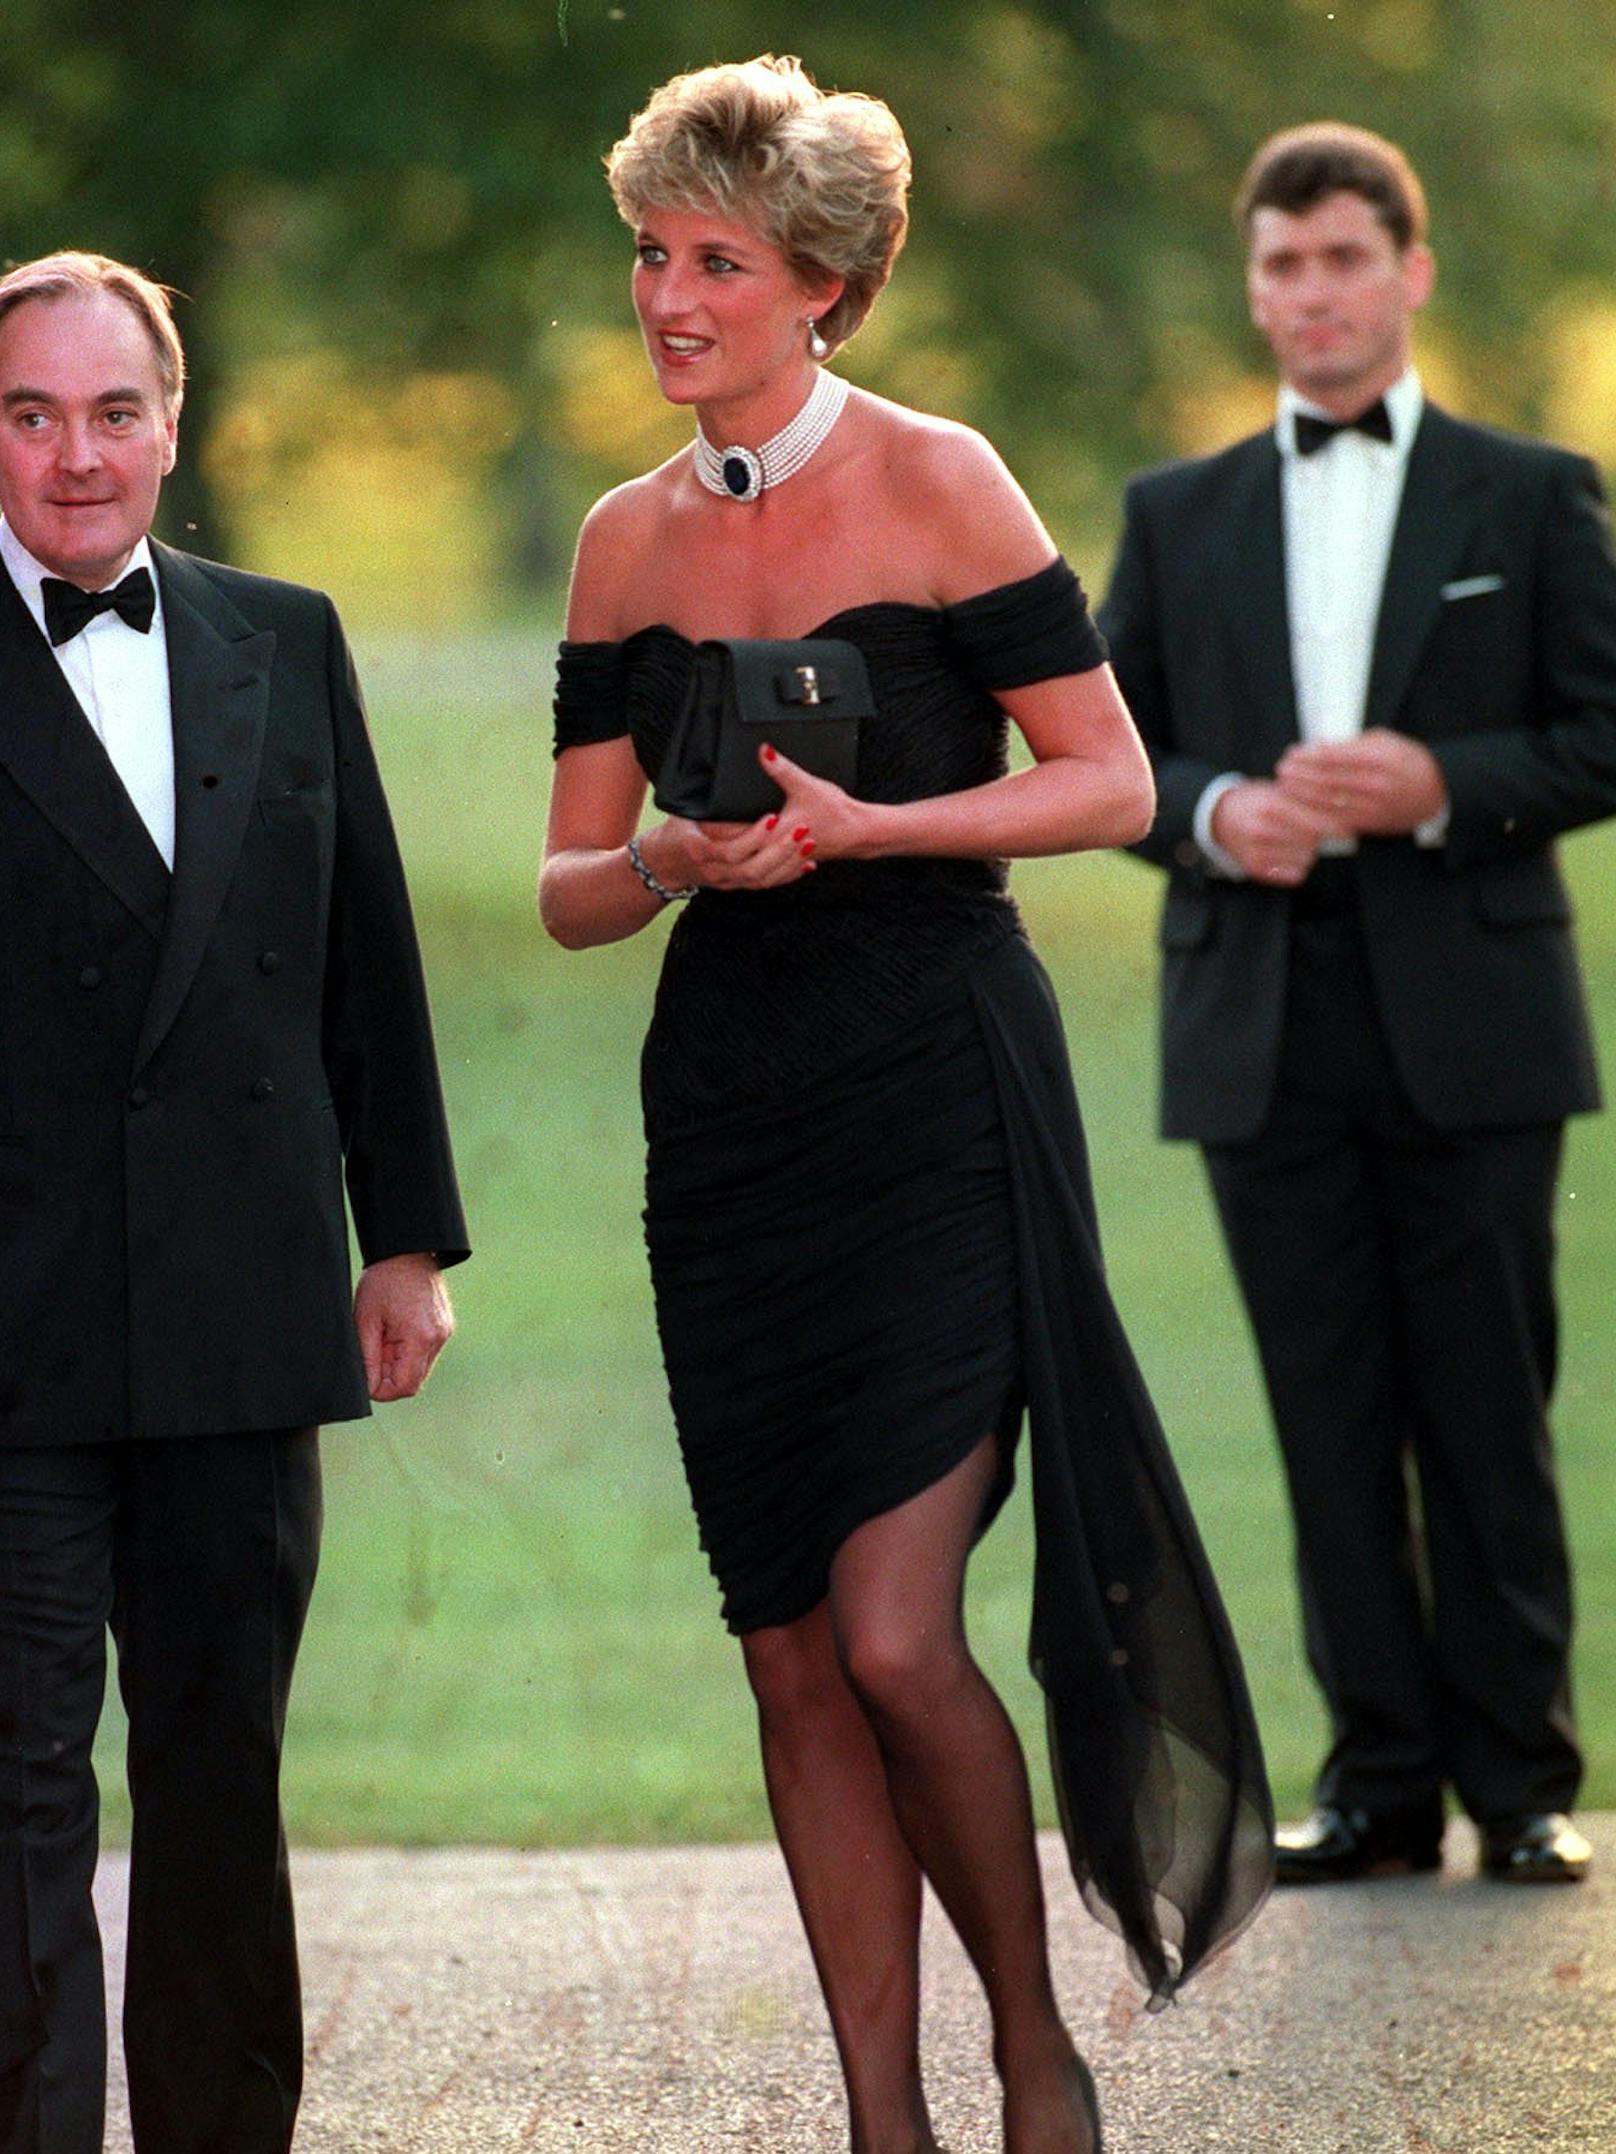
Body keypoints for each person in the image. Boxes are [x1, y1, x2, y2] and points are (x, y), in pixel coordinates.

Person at [541, 56, 1271, 2154]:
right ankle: (885, 2116)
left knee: (888, 1630)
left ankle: (1032, 2051)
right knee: (786, 1655)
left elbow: (1115, 783)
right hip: (732, 1121)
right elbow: (570, 888)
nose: (667, 298)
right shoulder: (616, 541)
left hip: (938, 1084)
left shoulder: (948, 483)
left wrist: (871, 831)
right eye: (652, 254)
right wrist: (670, 865)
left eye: (716, 264)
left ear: (827, 289)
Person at [1099, 122, 1616, 1888]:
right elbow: (1111, 759)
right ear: (1254, 289)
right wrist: (1220, 814)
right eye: (1280, 266)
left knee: (1487, 1405)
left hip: (1473, 1020)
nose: (1309, 293)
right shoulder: (1178, 514)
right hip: (1260, 1020)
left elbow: (1600, 731)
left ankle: (1522, 1777)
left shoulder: (1532, 495)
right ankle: (1380, 1779)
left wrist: (1441, 783)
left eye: (1340, 258)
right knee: (1325, 1418)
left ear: (1410, 268)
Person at [0, 252, 468, 2154]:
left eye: (113, 411)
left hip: (240, 1308)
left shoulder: (289, 632)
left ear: (172, 425)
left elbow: (367, 954)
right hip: (7, 1326)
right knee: (19, 1791)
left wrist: (410, 1233)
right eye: (28, 413)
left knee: (218, 1779)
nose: (74, 454)